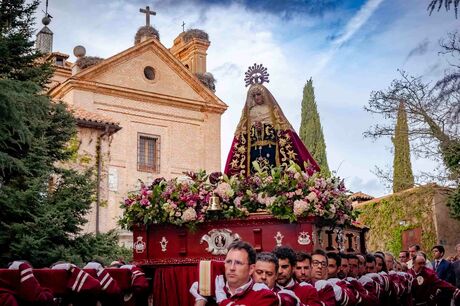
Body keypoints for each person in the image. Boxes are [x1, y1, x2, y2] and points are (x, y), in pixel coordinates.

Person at [224, 64, 320, 177]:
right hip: (254, 151)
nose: (256, 97)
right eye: (254, 95)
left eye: (258, 94)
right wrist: (255, 129)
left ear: (264, 95)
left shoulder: (272, 111)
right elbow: (243, 135)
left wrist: (266, 128)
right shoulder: (249, 113)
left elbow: (282, 131)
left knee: (272, 173)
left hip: (272, 149)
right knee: (255, 176)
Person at [216, 241, 279, 305]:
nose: (232, 268)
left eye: (238, 263)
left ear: (251, 269)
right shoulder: (215, 288)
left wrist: (223, 301)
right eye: (229, 262)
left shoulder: (264, 295)